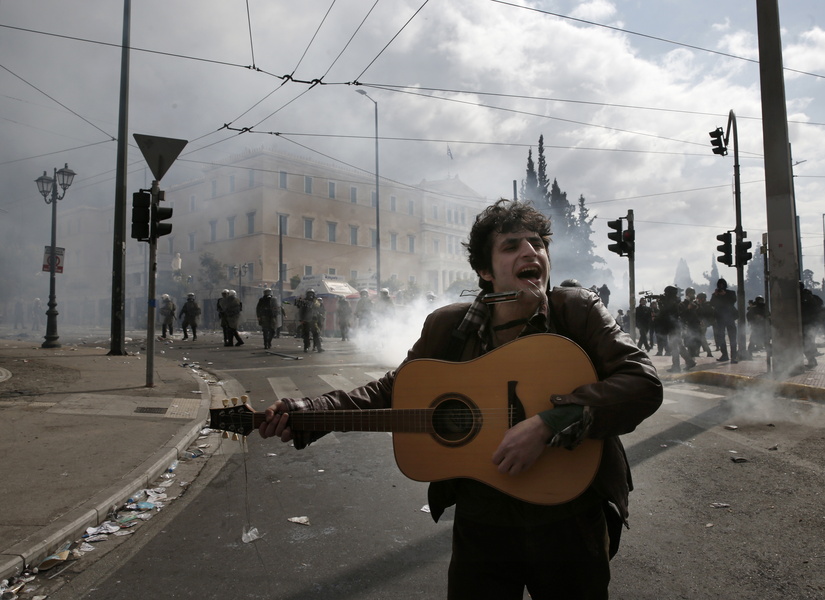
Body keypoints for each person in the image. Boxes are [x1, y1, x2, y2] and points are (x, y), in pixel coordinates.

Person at [258, 199, 663, 600]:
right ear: (485, 270)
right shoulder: (448, 327)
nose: (530, 251)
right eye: (511, 246)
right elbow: (390, 391)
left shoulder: (577, 310)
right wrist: (305, 413)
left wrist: (547, 424)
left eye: (538, 243)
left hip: (570, 516)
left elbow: (642, 382)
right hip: (483, 521)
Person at [710, 278, 738, 363]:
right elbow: (712, 304)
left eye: (722, 284)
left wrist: (725, 294)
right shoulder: (715, 294)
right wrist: (715, 295)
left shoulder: (731, 293)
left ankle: (734, 356)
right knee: (721, 337)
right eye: (720, 284)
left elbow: (733, 301)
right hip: (720, 318)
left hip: (729, 317)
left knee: (732, 337)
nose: (721, 286)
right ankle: (724, 355)